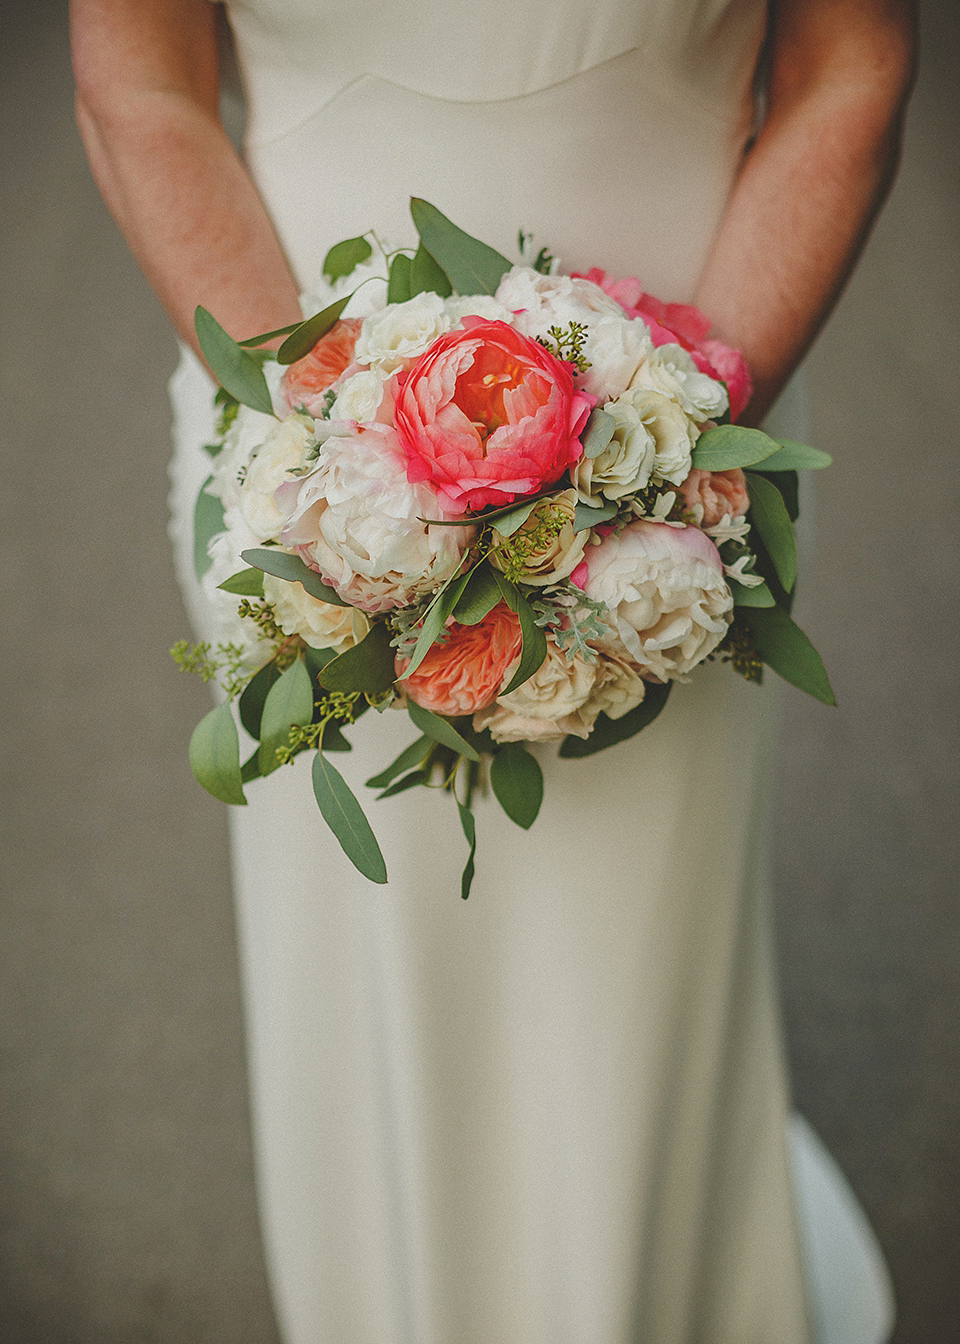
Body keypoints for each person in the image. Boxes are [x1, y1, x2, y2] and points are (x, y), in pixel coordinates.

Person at [70, 2, 916, 1341]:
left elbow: (850, 64)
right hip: (299, 448)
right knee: (368, 959)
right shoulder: (315, 467)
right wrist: (342, 463)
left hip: (688, 439)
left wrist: (668, 446)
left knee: (634, 944)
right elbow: (137, 84)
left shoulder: (681, 447)